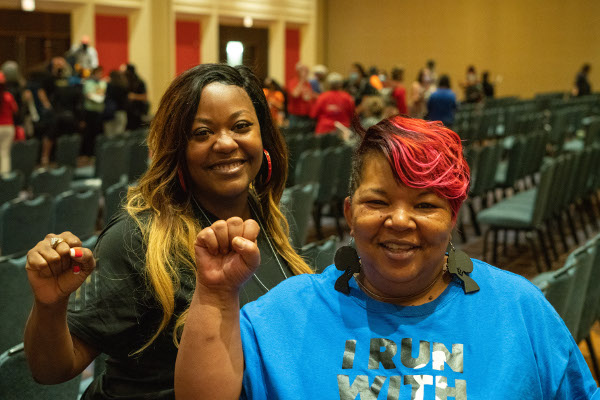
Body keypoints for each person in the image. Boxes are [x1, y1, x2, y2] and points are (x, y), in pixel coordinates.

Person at [175, 115, 599, 399]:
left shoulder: (520, 310)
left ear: (452, 217)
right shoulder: (285, 315)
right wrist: (214, 295)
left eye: (425, 205)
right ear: (349, 213)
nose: (399, 221)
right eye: (378, 202)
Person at [23, 64, 312, 399]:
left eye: (241, 126)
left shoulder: (268, 217)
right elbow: (52, 370)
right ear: (178, 148)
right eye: (202, 133)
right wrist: (49, 306)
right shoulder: (138, 239)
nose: (225, 143)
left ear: (263, 136)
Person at [286, 62, 316, 130]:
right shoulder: (293, 82)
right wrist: (302, 80)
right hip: (295, 116)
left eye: (307, 71)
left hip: (306, 115)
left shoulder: (307, 83)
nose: (307, 73)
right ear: (299, 71)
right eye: (305, 70)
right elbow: (294, 94)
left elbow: (309, 96)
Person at [0, 71, 18, 173]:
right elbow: (15, 110)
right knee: (5, 153)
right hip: (8, 127)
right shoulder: (8, 96)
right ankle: (5, 178)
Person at [123, 63, 149, 130]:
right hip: (127, 112)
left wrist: (134, 96)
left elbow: (145, 97)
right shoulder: (125, 82)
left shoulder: (139, 82)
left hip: (138, 112)